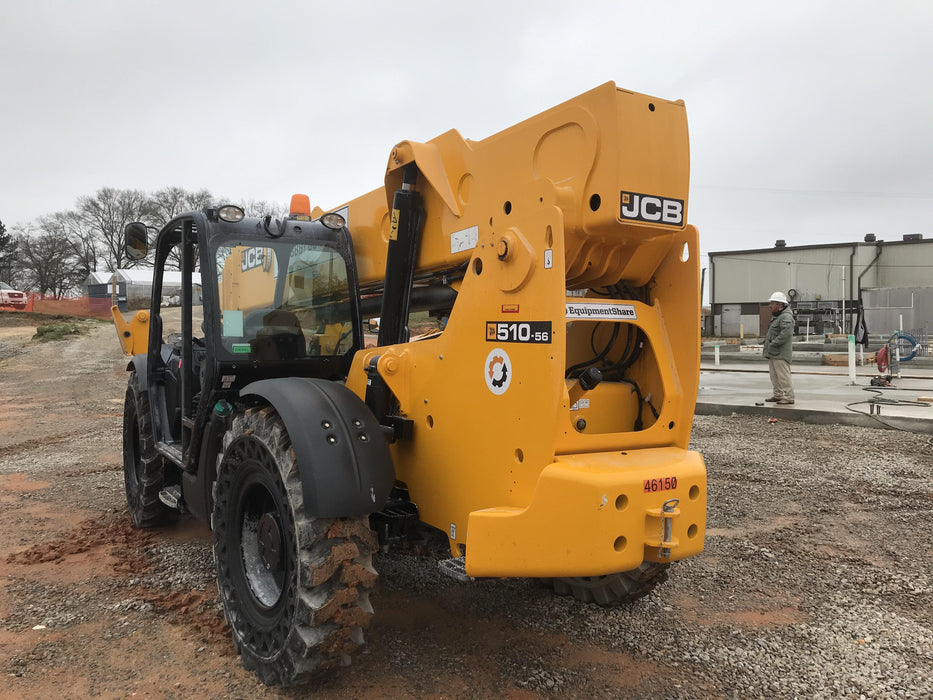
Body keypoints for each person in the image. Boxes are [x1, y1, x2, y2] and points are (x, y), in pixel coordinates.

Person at [763, 291, 795, 405]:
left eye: (772, 303)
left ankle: (789, 397)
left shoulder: (785, 317)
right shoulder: (778, 316)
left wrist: (774, 343)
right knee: (774, 376)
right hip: (774, 353)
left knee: (783, 376)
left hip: (780, 353)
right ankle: (778, 395)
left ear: (779, 305)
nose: (770, 306)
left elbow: (786, 333)